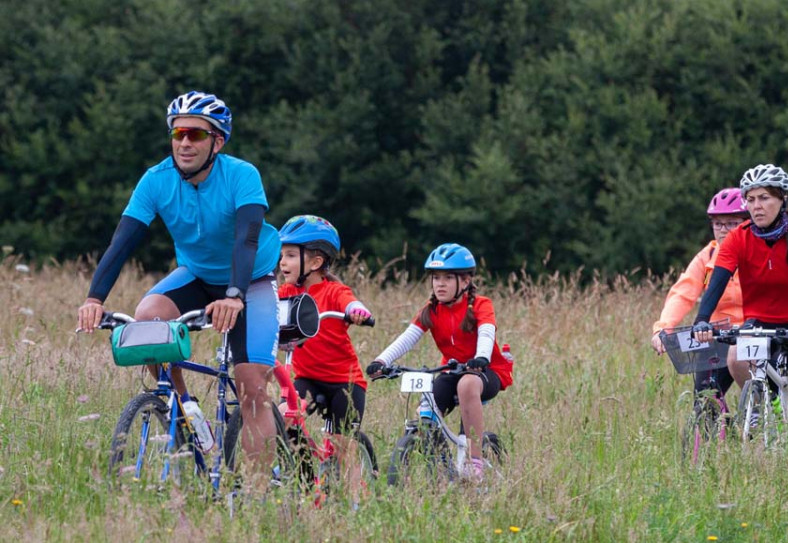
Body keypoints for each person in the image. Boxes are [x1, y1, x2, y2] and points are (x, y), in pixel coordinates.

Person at [76, 91, 281, 492]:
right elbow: (121, 244)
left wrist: (235, 294)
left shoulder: (242, 175)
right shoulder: (156, 181)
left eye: (196, 135)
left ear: (217, 142)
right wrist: (93, 298)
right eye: (177, 133)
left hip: (251, 279)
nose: (184, 142)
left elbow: (247, 241)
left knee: (251, 384)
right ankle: (185, 406)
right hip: (198, 275)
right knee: (148, 318)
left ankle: (258, 497)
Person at [692, 164, 788, 434]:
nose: (757, 206)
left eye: (764, 198)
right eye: (751, 200)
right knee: (734, 358)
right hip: (759, 321)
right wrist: (702, 321)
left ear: (782, 199)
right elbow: (716, 284)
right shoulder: (738, 238)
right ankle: (759, 407)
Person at [366, 243, 513, 483]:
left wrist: (481, 357)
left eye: (447, 278)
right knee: (426, 408)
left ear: (465, 281)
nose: (439, 284)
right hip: (452, 370)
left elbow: (487, 332)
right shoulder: (432, 310)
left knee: (467, 384)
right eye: (435, 278)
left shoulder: (480, 305)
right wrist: (381, 360)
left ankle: (474, 463)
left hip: (486, 370)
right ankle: (439, 468)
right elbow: (408, 338)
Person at [276, 214, 372, 503]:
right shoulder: (285, 293)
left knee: (344, 446)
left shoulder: (333, 291)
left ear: (316, 262)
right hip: (308, 379)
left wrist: (357, 311)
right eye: (281, 255)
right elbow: (265, 309)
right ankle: (308, 488)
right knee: (286, 419)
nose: (283, 262)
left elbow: (350, 302)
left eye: (291, 255)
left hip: (346, 383)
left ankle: (358, 504)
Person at [651, 187, 748, 398]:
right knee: (705, 398)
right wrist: (663, 328)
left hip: (754, 333)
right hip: (717, 335)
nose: (724, 230)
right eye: (718, 224)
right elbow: (682, 293)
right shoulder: (708, 256)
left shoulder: (759, 252)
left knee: (759, 397)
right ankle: (725, 431)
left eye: (732, 223)